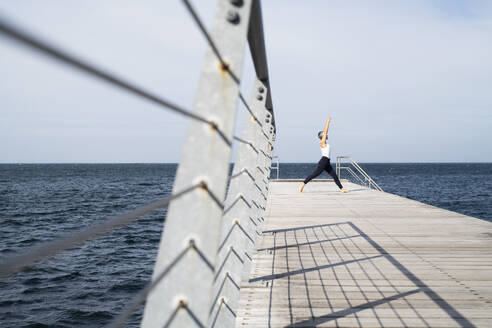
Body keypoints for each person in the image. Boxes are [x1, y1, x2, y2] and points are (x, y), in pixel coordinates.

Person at [299, 116, 348, 193]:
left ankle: (342, 189)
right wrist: (328, 121)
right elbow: (325, 131)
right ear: (322, 136)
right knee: (315, 174)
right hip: (323, 161)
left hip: (327, 162)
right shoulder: (322, 143)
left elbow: (325, 133)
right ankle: (303, 184)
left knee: (334, 176)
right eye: (324, 135)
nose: (327, 135)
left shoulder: (325, 143)